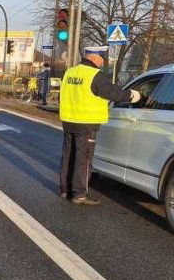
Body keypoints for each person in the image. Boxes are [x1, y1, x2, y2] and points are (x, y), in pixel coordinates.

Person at [59, 53, 141, 205]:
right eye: (102, 60)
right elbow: (113, 93)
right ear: (95, 58)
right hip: (87, 122)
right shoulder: (95, 75)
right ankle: (80, 194)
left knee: (68, 155)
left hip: (69, 120)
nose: (103, 64)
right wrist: (133, 96)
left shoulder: (70, 72)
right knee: (83, 159)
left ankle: (66, 190)